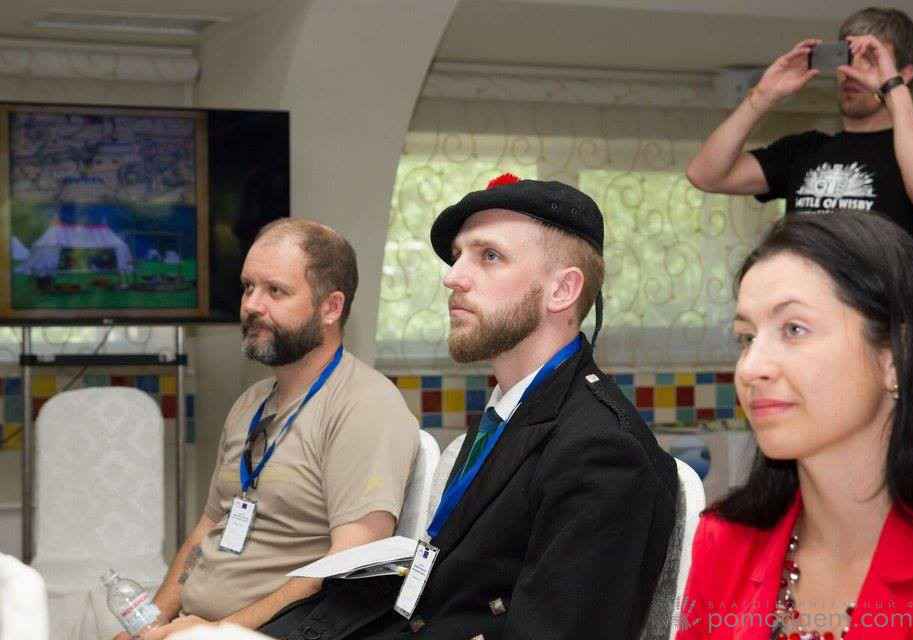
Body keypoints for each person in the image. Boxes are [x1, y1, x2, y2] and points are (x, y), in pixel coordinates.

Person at [262, 175, 680, 639]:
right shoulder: (508, 415)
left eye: (489, 256)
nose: (452, 277)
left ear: (562, 290)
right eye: (458, 255)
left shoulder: (603, 453)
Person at [114, 219, 421, 639]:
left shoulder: (365, 406)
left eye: (275, 291)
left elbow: (348, 566)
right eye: (248, 287)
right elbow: (206, 530)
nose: (252, 305)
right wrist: (151, 625)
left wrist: (218, 631)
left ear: (331, 308)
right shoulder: (251, 402)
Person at [676, 210, 913, 639]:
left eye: (794, 329)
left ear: (894, 357)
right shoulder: (726, 543)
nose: (751, 368)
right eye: (747, 338)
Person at [685, 7, 913, 249]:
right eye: (848, 58)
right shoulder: (805, 149)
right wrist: (762, 96)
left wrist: (891, 87)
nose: (852, 72)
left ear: (905, 74)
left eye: (871, 60)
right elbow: (705, 175)